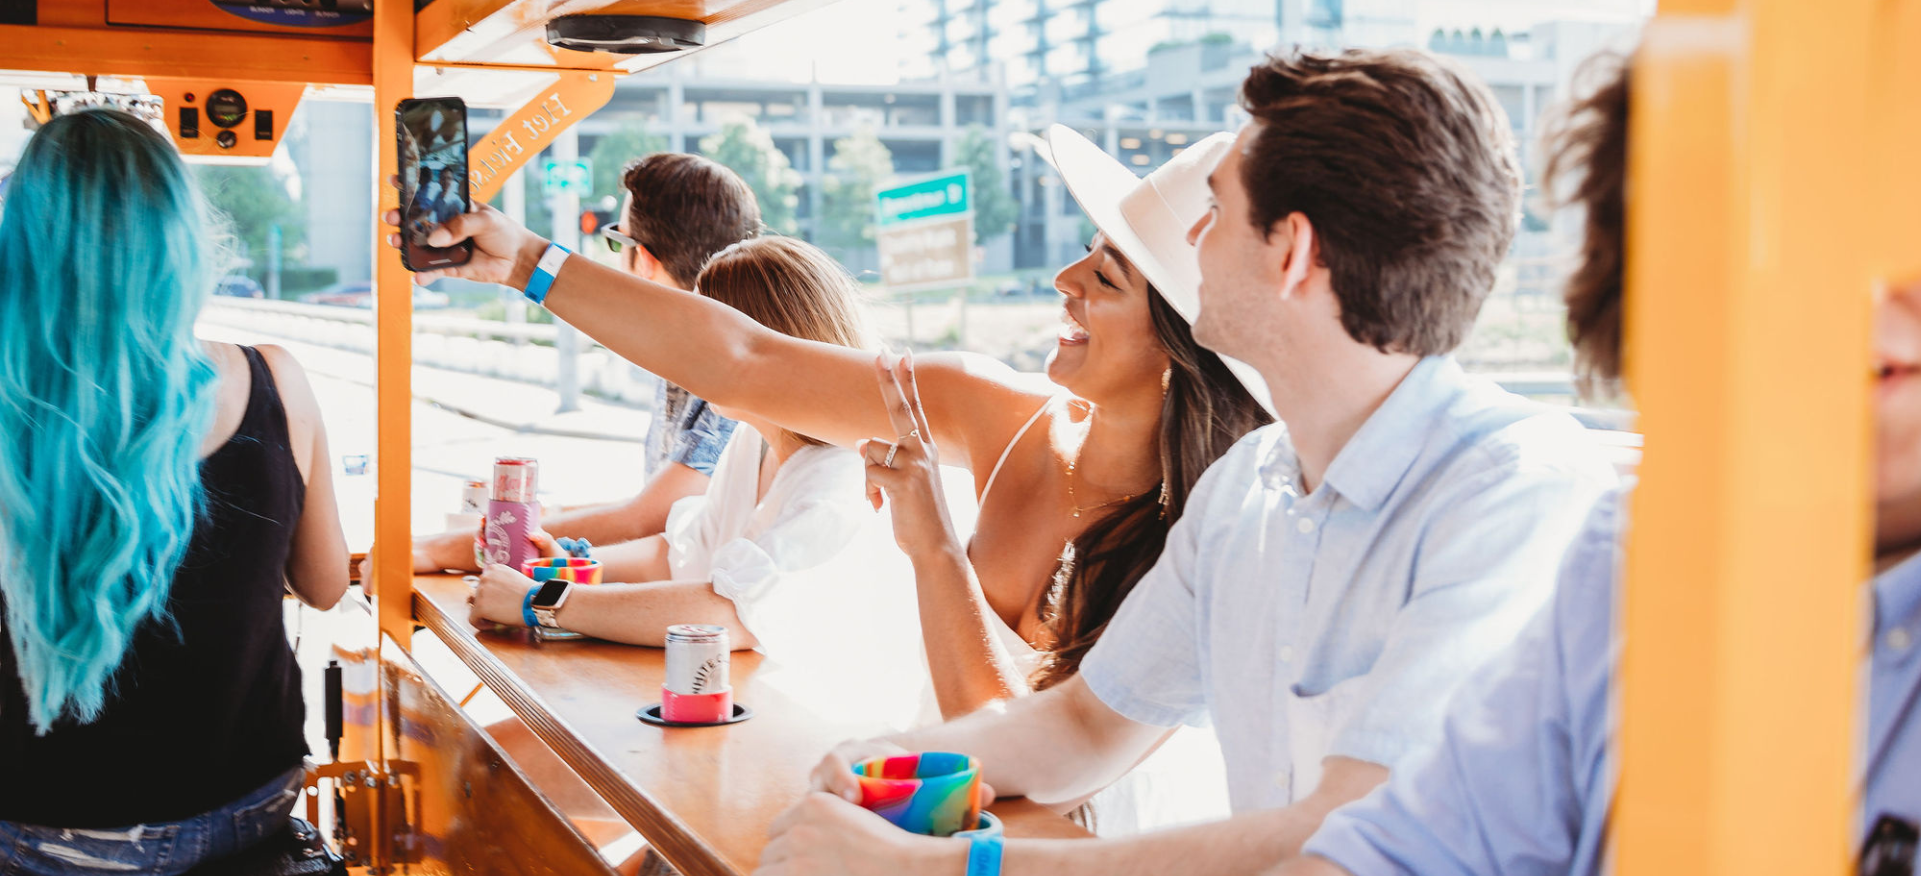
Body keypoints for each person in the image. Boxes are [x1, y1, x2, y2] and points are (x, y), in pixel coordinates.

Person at [755, 48, 1620, 876]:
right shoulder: (1248, 485)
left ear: (1295, 254)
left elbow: (1347, 845)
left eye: (1213, 211)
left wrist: (956, 868)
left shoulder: (1515, 498)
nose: (1192, 244)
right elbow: (1090, 725)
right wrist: (886, 756)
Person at [388, 95, 1271, 835]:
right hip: (929, 823)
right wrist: (527, 265)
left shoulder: (1208, 525)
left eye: (1107, 277)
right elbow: (746, 358)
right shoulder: (994, 412)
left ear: (1187, 346)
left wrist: (933, 552)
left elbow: (1027, 755)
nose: (1063, 278)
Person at [1281, 58, 1921, 876]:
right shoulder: (1637, 557)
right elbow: (1411, 850)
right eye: (1767, 227)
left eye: (1906, 215)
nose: (1848, 287)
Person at [0, 109, 351, 875]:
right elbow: (326, 585)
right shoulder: (273, 381)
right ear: (180, 241)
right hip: (242, 806)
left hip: (34, 825)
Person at [461, 236, 920, 695]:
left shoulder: (839, 476)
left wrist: (539, 600)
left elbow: (729, 613)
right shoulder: (753, 443)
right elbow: (679, 554)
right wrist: (571, 566)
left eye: (698, 337)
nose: (681, 357)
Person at [381, 152, 759, 580]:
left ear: (645, 260)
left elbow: (651, 519)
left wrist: (445, 549)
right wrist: (534, 525)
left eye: (618, 241)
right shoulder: (719, 351)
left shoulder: (730, 380)